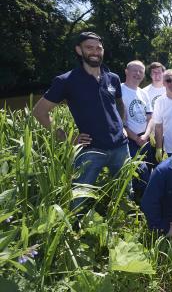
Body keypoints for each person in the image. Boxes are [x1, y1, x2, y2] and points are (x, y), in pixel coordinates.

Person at [32, 32, 129, 208]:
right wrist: (68, 138)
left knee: (124, 191)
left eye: (98, 48)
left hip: (120, 147)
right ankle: (75, 231)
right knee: (79, 200)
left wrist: (122, 125)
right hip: (90, 150)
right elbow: (39, 112)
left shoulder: (113, 78)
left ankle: (124, 222)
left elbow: (120, 105)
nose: (95, 51)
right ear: (79, 50)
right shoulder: (66, 81)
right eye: (89, 47)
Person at [121, 60, 155, 200]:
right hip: (129, 140)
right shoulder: (119, 90)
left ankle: (145, 202)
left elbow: (150, 117)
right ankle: (136, 205)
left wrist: (146, 135)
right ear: (126, 71)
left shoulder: (143, 93)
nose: (138, 74)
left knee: (149, 168)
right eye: (134, 70)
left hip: (145, 138)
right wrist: (135, 138)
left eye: (141, 71)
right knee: (140, 172)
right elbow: (119, 122)